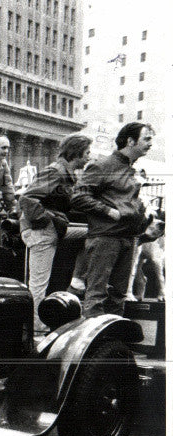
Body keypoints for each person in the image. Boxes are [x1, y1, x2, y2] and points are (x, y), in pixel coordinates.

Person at [71, 122, 155, 317]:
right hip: (106, 238)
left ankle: (111, 342)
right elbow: (79, 197)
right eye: (147, 139)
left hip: (128, 237)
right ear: (130, 141)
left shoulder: (130, 169)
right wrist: (109, 212)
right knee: (96, 293)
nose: (151, 144)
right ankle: (92, 343)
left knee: (118, 296)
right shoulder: (103, 165)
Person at [18, 134, 92, 331]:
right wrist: (47, 220)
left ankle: (76, 279)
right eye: (87, 153)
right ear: (77, 153)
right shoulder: (56, 171)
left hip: (52, 229)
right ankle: (35, 327)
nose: (89, 157)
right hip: (41, 230)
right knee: (38, 284)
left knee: (89, 234)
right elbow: (27, 199)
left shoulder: (66, 173)